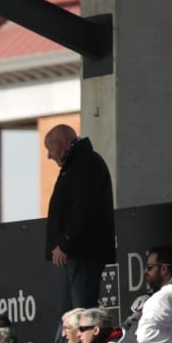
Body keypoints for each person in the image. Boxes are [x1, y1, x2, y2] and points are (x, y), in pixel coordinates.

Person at [43, 123, 114, 311]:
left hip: (83, 253)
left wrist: (65, 243)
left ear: (66, 143)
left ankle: (80, 340)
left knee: (80, 311)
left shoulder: (85, 163)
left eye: (50, 148)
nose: (49, 155)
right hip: (78, 253)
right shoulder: (77, 164)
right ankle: (66, 341)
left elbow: (84, 210)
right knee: (68, 312)